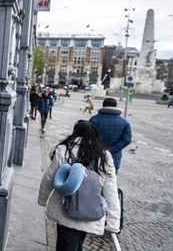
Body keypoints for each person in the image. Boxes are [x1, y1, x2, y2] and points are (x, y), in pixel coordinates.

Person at [38, 120, 120, 251]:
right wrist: (113, 222)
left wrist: (42, 199)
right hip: (89, 212)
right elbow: (111, 191)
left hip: (65, 211)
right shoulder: (104, 156)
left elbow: (49, 177)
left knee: (67, 245)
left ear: (75, 132)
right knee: (77, 244)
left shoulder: (64, 150)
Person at [89, 98, 132, 172]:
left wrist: (98, 148)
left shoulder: (94, 119)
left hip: (95, 154)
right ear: (115, 106)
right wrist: (111, 149)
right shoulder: (124, 122)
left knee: (94, 176)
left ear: (103, 106)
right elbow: (127, 139)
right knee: (111, 177)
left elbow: (88, 136)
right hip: (114, 156)